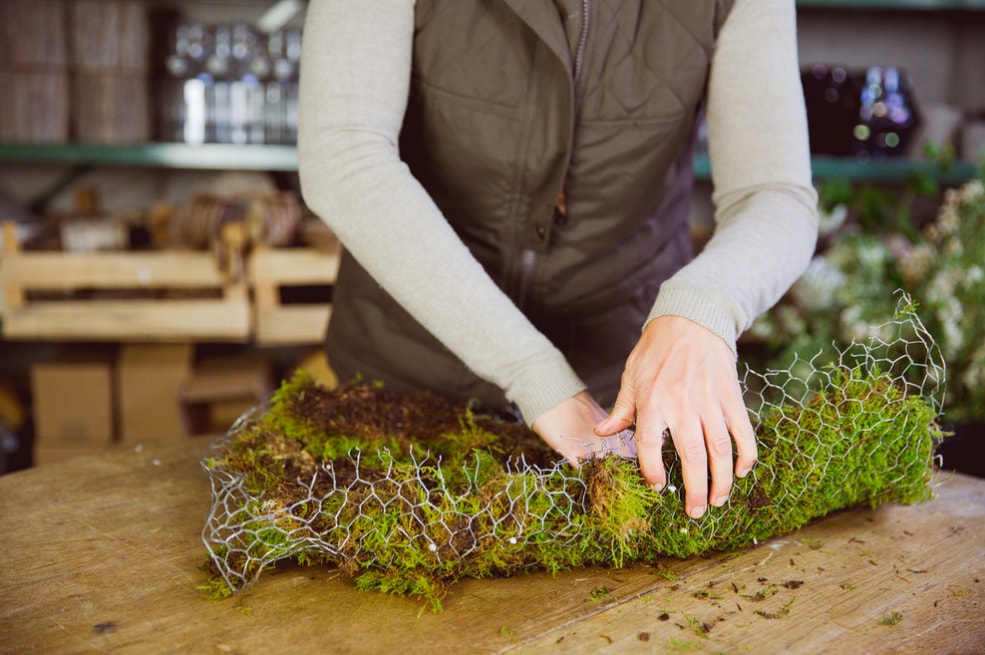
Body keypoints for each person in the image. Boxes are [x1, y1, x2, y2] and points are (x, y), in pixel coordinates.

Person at [297, 0, 819, 521]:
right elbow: (344, 155)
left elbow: (773, 193)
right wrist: (534, 373)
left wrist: (701, 308)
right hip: (404, 379)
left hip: (615, 399)